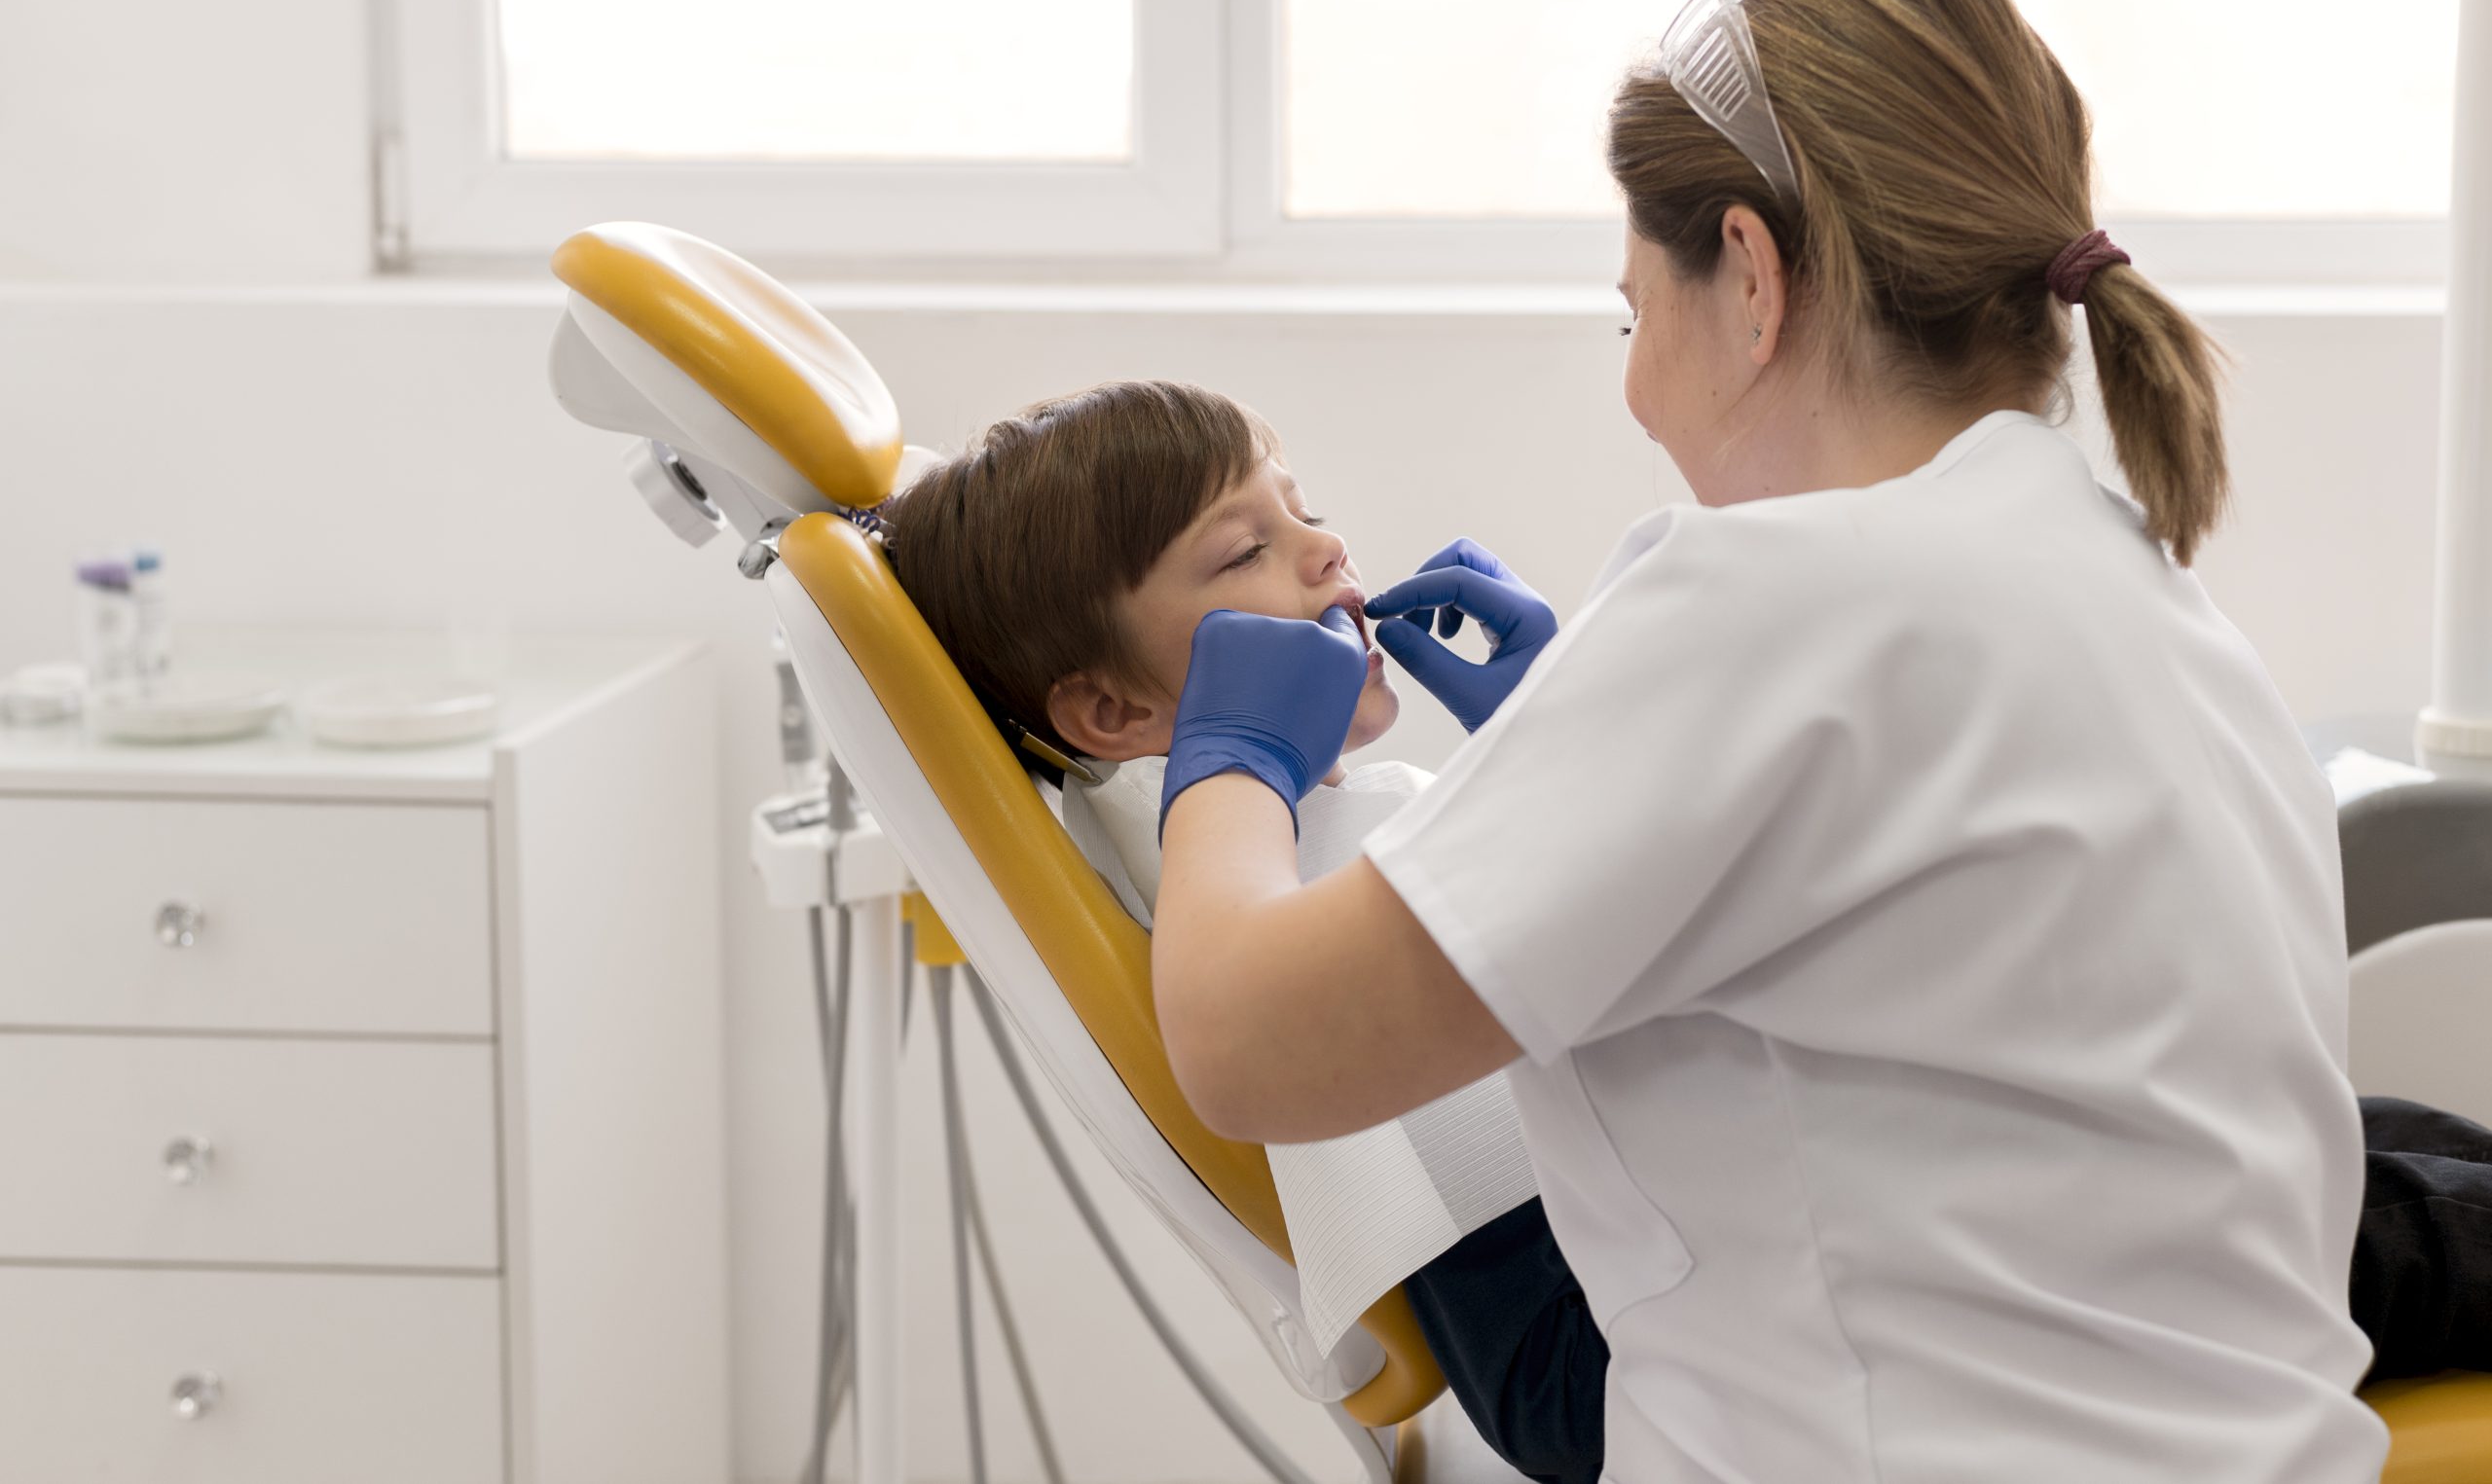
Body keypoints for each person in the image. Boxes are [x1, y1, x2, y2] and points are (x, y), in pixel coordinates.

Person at [1143, 0, 2399, 1481]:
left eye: (1634, 320)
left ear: (1750, 272)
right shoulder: (2140, 592)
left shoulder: (1769, 605)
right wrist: (1574, 750)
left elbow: (1246, 1048)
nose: (1636, 391)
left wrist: (1232, 755)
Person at [884, 376, 2492, 1482]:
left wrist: (1570, 745)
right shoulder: (1240, 872)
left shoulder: (1297, 831)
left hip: (1705, 1239)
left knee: (2363, 1134)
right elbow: (1381, 1145)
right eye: (1244, 551)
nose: (1324, 552)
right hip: (1625, 1352)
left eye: (1299, 507)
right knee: (2334, 1204)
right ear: (1112, 712)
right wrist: (1237, 764)